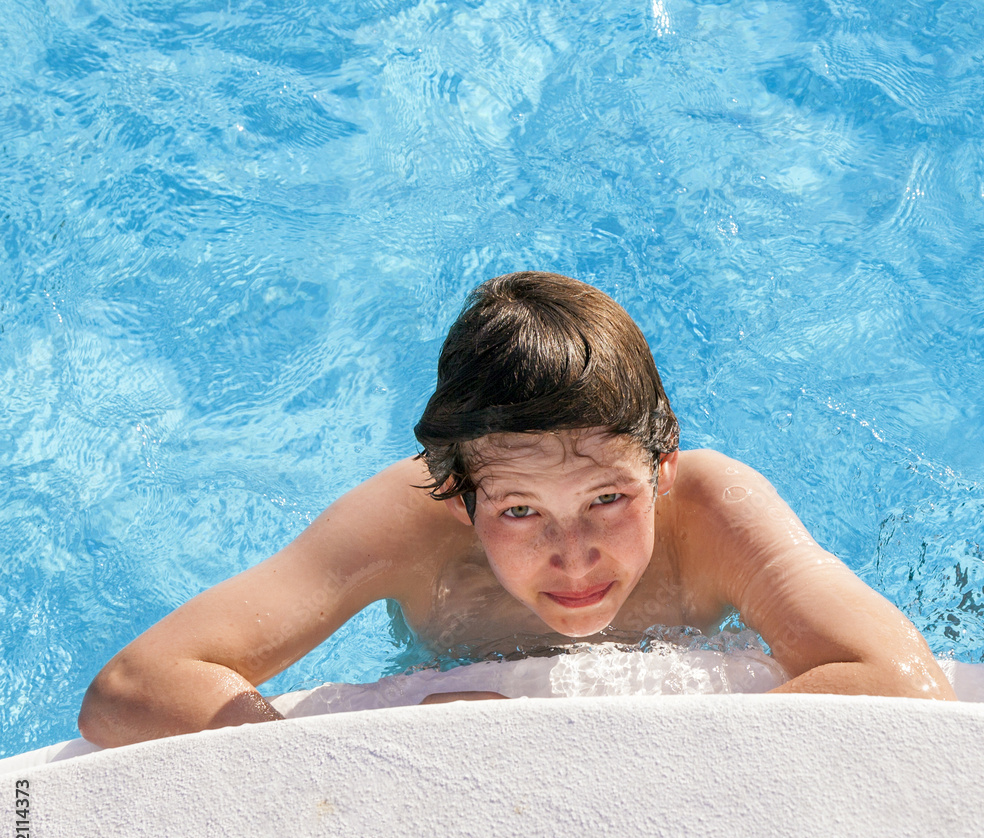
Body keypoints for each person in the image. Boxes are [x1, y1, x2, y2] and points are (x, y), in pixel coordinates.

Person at [78, 272, 955, 747]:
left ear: (664, 459)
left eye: (608, 498)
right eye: (523, 512)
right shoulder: (404, 523)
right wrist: (342, 755)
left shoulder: (713, 507)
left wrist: (624, 734)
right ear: (459, 495)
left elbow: (901, 683)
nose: (575, 558)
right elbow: (132, 689)